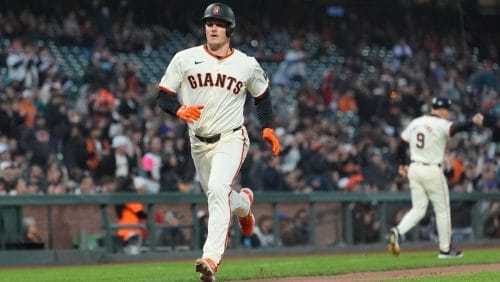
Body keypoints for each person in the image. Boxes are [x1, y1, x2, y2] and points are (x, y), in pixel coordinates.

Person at [156, 3, 280, 281]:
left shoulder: (246, 64)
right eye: (209, 23)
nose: (213, 27)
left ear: (229, 29)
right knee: (219, 194)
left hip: (231, 138)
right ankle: (244, 204)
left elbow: (262, 97)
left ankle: (210, 259)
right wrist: (177, 109)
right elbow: (163, 94)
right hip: (198, 143)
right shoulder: (184, 58)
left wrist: (269, 127)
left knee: (216, 189)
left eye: (219, 23)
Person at [387, 97, 484, 259]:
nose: (448, 114)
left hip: (414, 168)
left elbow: (401, 145)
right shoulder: (441, 124)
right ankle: (445, 250)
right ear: (444, 110)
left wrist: (402, 164)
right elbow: (457, 128)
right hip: (432, 169)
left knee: (418, 209)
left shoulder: (416, 122)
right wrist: (472, 122)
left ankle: (397, 231)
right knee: (442, 210)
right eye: (448, 110)